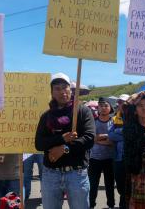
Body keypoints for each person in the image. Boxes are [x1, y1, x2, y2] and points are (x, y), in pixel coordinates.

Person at [35, 72, 95, 209]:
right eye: (57, 88)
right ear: (52, 92)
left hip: (77, 174)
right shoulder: (46, 116)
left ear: (71, 89)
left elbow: (89, 139)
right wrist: (61, 138)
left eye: (65, 87)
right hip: (51, 174)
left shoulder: (82, 111)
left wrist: (64, 149)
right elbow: (39, 143)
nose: (62, 92)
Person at [89, 97, 115, 209]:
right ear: (98, 108)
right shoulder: (93, 122)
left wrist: (99, 139)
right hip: (94, 158)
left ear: (110, 108)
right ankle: (90, 205)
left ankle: (111, 205)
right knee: (92, 185)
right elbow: (91, 139)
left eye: (106, 105)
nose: (103, 108)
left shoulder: (115, 122)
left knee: (110, 185)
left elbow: (114, 141)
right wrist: (106, 138)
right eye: (101, 106)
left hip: (110, 158)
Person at [108, 93, 129, 209]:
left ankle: (124, 205)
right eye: (120, 102)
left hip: (130, 157)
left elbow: (133, 134)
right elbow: (110, 135)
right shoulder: (115, 118)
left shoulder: (134, 117)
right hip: (118, 157)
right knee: (120, 185)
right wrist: (124, 134)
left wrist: (118, 132)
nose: (121, 104)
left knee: (130, 185)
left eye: (124, 102)